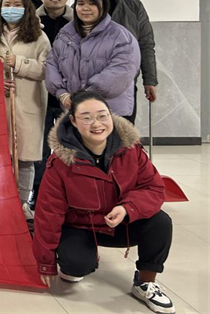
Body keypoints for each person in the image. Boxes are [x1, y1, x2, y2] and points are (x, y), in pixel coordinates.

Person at [34, 91, 175, 314]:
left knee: (160, 222)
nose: (96, 124)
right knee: (76, 265)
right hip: (80, 226)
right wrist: (45, 262)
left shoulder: (131, 150)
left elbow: (154, 188)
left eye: (102, 116)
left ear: (111, 115)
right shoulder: (60, 162)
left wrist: (127, 208)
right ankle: (74, 264)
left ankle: (145, 282)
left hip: (119, 223)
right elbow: (48, 213)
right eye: (86, 117)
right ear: (73, 121)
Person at [0, 0, 51, 221]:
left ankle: (21, 204)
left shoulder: (38, 36)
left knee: (24, 157)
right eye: (7, 4)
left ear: (26, 8)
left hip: (28, 103)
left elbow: (47, 70)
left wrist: (19, 63)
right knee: (0, 156)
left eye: (17, 5)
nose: (11, 9)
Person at [46, 0, 140, 118]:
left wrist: (86, 95)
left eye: (92, 4)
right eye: (80, 4)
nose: (85, 8)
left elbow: (121, 71)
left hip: (110, 113)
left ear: (104, 6)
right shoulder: (65, 34)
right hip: (76, 111)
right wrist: (62, 93)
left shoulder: (120, 36)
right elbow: (52, 63)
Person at [91, 0, 157, 124]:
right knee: (93, 131)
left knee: (123, 132)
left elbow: (146, 45)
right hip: (90, 83)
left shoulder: (134, 7)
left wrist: (149, 80)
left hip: (124, 83)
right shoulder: (80, 7)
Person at [32, 0, 74, 207]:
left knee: (71, 145)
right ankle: (39, 194)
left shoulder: (78, 22)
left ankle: (71, 194)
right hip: (41, 94)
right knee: (40, 148)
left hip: (71, 95)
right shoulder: (31, 22)